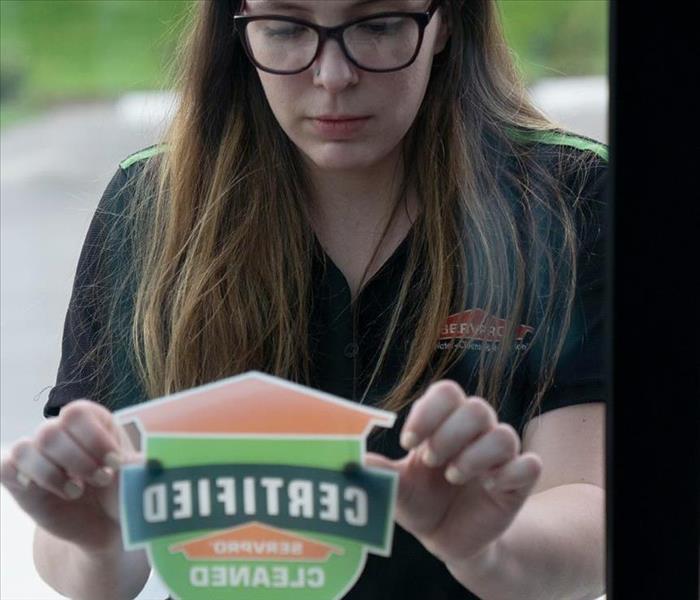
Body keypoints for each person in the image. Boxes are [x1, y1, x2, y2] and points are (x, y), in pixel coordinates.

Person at [0, 0, 608, 598]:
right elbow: (93, 543)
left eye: (378, 25)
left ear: (446, 21)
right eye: (287, 28)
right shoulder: (151, 206)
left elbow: (592, 501)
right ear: (237, 32)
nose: (333, 76)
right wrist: (99, 542)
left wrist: (489, 550)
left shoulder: (567, 197)